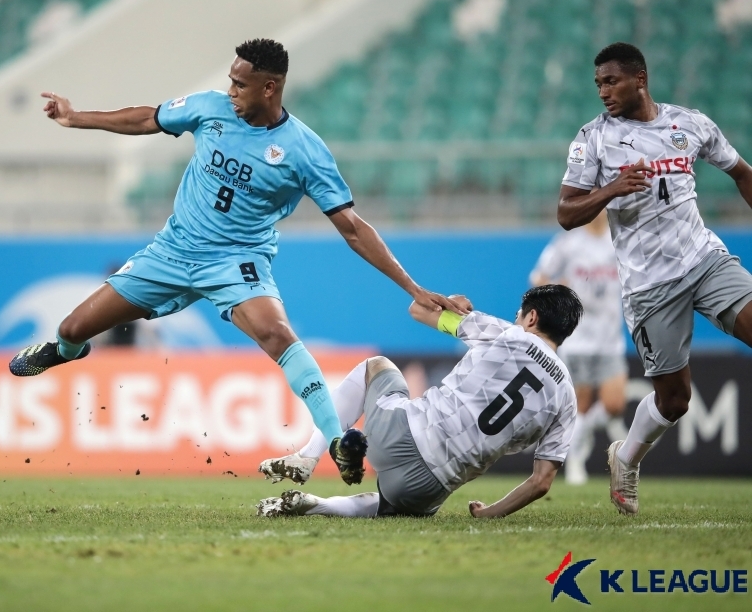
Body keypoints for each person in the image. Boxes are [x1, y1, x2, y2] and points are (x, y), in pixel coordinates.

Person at [8, 38, 465, 482]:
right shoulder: (210, 108)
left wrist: (414, 288)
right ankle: (65, 352)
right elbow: (147, 118)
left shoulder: (304, 150)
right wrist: (75, 118)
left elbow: (352, 227)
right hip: (172, 252)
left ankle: (337, 441)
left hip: (236, 262)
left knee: (276, 333)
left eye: (240, 85)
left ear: (269, 87)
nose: (231, 92)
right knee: (72, 329)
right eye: (230, 81)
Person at [558, 42, 752, 515]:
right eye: (598, 83)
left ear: (640, 78)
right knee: (675, 399)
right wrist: (612, 188)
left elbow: (742, 173)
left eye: (611, 81)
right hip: (650, 286)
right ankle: (626, 457)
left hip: (705, 259)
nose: (603, 91)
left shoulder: (690, 124)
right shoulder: (593, 140)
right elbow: (565, 213)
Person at [256, 285, 582, 519]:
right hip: (430, 487)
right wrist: (489, 513)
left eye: (518, 316)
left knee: (376, 366)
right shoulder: (567, 396)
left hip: (402, 436)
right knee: (390, 507)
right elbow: (542, 481)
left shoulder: (506, 335)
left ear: (531, 318)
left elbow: (417, 309)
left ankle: (308, 457)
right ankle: (318, 505)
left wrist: (451, 301)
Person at [530, 210, 627, 485]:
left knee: (614, 404)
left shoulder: (619, 239)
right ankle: (575, 461)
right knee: (581, 404)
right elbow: (538, 278)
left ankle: (580, 440)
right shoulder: (568, 242)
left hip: (610, 337)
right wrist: (559, 288)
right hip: (578, 336)